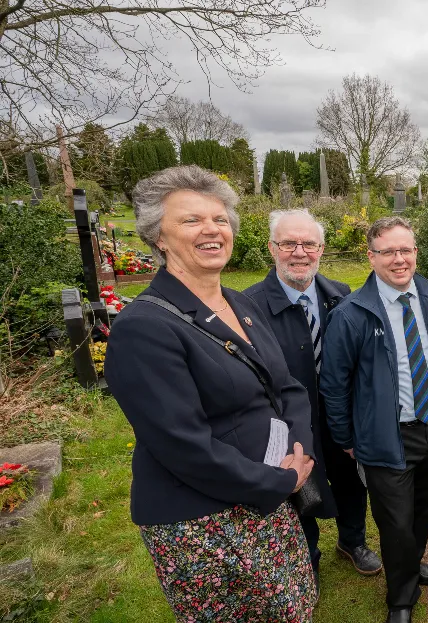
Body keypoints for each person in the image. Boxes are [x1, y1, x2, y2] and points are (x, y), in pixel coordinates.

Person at [104, 165, 317, 621]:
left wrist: (299, 454)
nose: (212, 230)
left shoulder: (240, 303)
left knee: (293, 608)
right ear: (158, 236)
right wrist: (281, 480)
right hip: (204, 522)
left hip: (270, 495)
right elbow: (183, 446)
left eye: (220, 219)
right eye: (191, 220)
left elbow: (287, 386)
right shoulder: (143, 328)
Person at [319, 216, 428, 623]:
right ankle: (400, 599)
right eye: (388, 251)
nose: (399, 260)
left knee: (423, 506)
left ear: (416, 252)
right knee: (394, 522)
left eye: (406, 250)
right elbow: (334, 384)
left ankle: (410, 567)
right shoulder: (351, 314)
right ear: (371, 257)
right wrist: (345, 437)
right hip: (385, 435)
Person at [244, 209, 382, 587]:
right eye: (289, 243)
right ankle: (309, 558)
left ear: (321, 249)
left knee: (351, 480)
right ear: (272, 248)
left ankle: (353, 540)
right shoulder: (248, 307)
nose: (299, 252)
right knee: (302, 488)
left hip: (341, 413)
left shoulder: (341, 295)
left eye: (309, 244)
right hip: (289, 422)